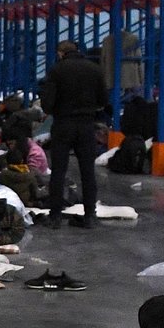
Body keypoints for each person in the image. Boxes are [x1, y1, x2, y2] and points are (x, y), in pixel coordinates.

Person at [39, 41, 107, 229]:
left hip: (63, 124)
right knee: (88, 172)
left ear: (61, 53)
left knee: (59, 172)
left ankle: (54, 217)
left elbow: (47, 104)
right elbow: (104, 99)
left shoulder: (56, 70)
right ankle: (90, 216)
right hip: (86, 125)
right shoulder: (95, 69)